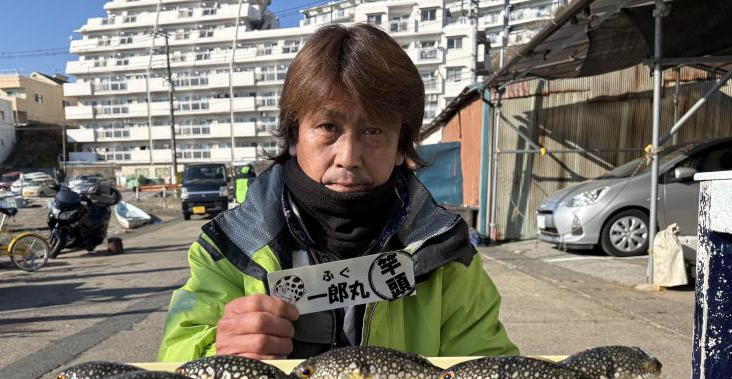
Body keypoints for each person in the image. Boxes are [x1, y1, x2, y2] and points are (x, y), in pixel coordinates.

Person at [157, 23, 518, 361]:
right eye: (328, 126)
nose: (348, 157)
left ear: (400, 146)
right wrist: (218, 354)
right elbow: (174, 358)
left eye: (373, 130)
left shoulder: (445, 254)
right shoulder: (230, 248)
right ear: (294, 136)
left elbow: (487, 371)